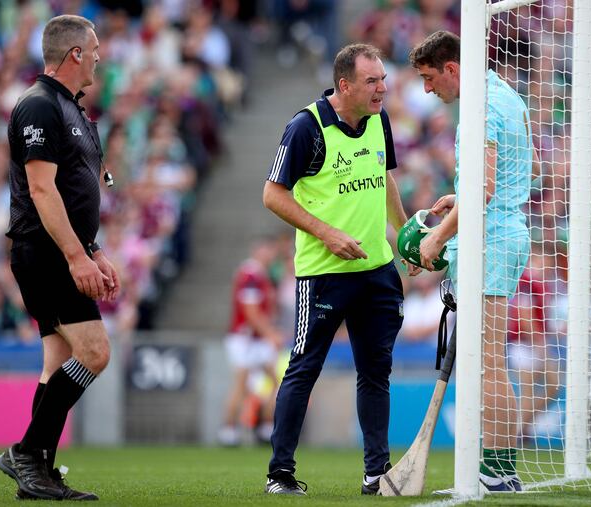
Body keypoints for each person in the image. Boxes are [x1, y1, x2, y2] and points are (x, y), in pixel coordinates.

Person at [262, 43, 421, 496]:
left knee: (376, 372)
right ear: (344, 84)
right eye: (372, 82)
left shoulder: (379, 120)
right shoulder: (305, 128)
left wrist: (404, 232)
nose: (382, 89)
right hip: (324, 273)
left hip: (377, 272)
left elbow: (384, 177)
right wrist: (327, 233)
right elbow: (273, 195)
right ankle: (281, 473)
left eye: (384, 80)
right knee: (303, 369)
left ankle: (377, 472)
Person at [0, 14, 119, 501]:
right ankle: (26, 452)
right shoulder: (38, 107)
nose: (98, 57)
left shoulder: (72, 110)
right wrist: (77, 258)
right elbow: (43, 190)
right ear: (74, 55)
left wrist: (95, 250)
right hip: (45, 254)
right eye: (94, 50)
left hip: (62, 252)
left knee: (58, 361)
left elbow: (77, 192)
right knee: (95, 353)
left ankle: (37, 473)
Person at [409, 30, 539, 492]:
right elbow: (522, 171)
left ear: (452, 68)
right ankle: (497, 468)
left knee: (487, 362)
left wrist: (436, 239)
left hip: (491, 240)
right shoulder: (508, 96)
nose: (427, 89)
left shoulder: (479, 109)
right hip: (503, 232)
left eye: (429, 78)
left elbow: (482, 192)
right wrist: (457, 197)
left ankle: (499, 472)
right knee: (487, 360)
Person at [218, 236, 283, 446]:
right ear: (258, 250)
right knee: (241, 384)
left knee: (275, 383)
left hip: (256, 339)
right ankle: (228, 431)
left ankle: (264, 427)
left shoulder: (262, 275)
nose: (270, 254)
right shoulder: (250, 274)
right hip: (245, 338)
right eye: (268, 249)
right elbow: (251, 313)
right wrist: (270, 334)